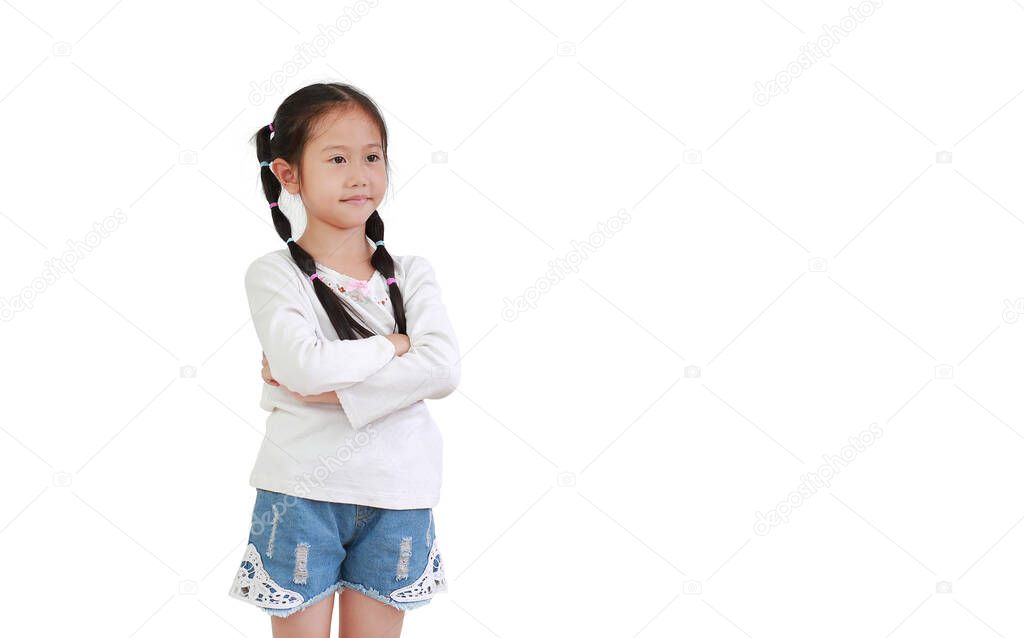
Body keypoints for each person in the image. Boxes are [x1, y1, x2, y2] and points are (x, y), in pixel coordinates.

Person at [226, 82, 461, 637]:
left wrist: (324, 383)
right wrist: (397, 347)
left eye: (372, 157)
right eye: (337, 159)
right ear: (288, 174)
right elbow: (304, 367)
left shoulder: (412, 273)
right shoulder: (273, 274)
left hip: (399, 490)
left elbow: (445, 369)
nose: (360, 175)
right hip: (301, 490)